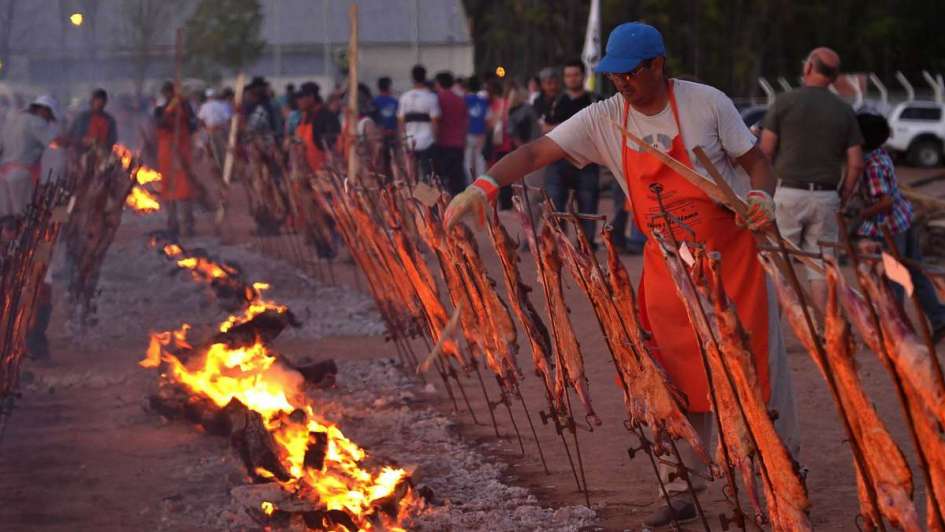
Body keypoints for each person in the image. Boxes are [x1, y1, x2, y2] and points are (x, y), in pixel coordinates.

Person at [444, 22, 795, 527]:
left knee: (749, 376)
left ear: (657, 65)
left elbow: (758, 162)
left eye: (630, 74)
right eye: (614, 75)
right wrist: (483, 186)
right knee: (668, 377)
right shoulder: (605, 118)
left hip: (730, 260)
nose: (622, 84)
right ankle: (681, 487)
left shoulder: (706, 103)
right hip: (666, 266)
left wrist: (761, 197)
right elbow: (535, 153)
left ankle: (777, 483)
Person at [760, 47, 864, 310]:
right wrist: (843, 195)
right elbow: (856, 164)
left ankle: (776, 331)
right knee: (821, 265)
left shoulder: (784, 102)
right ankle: (823, 332)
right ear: (834, 76)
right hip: (826, 196)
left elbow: (765, 153)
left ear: (808, 68)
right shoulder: (844, 110)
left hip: (787, 194)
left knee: (779, 267)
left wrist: (763, 192)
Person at [852, 112, 945, 341]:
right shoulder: (881, 154)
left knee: (893, 278)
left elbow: (885, 202)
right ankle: (939, 319)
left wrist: (859, 215)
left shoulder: (870, 163)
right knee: (916, 273)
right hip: (904, 219)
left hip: (890, 227)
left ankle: (897, 330)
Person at [0, 95, 62, 362]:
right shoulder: (35, 123)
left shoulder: (11, 121)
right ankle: (34, 340)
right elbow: (54, 139)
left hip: (8, 195)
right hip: (23, 198)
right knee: (40, 278)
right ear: (45, 112)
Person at [544, 59, 601, 243]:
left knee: (587, 210)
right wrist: (577, 129)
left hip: (588, 163)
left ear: (583, 76)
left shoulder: (595, 100)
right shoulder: (555, 101)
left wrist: (563, 129)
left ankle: (587, 249)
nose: (572, 79)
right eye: (568, 75)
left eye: (575, 75)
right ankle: (561, 249)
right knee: (556, 210)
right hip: (558, 162)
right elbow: (545, 128)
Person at [155, 81, 197, 237]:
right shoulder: (160, 110)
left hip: (182, 150)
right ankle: (172, 224)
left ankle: (188, 225)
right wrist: (170, 111)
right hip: (166, 153)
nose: (169, 96)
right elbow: (160, 123)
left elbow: (193, 126)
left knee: (184, 188)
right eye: (167, 93)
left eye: (171, 93)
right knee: (168, 189)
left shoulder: (185, 107)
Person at [398, 65, 440, 181]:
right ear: (425, 77)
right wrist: (435, 140)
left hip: (410, 141)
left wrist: (403, 139)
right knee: (427, 175)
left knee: (411, 175)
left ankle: (412, 197)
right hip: (427, 141)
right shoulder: (431, 97)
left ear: (412, 78)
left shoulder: (404, 97)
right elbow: (435, 122)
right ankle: (424, 198)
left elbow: (401, 122)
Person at [433, 71, 468, 195]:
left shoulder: (437, 99)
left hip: (442, 144)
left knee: (437, 179)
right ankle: (459, 208)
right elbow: (465, 122)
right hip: (458, 144)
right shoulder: (460, 100)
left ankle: (436, 209)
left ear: (438, 84)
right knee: (457, 179)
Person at [533, 67, 561, 133]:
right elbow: (539, 127)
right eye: (549, 83)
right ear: (542, 85)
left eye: (556, 83)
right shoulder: (538, 102)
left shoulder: (563, 99)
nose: (553, 87)